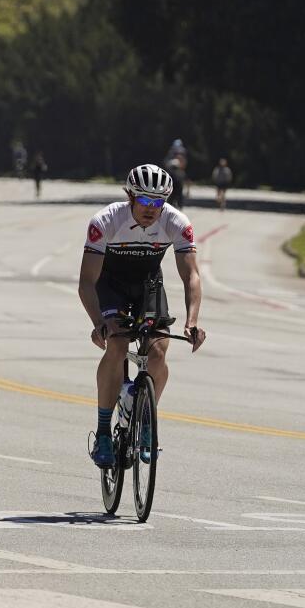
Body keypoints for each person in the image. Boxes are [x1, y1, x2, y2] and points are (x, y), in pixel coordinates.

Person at [79, 163, 206, 469]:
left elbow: (192, 277)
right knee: (119, 345)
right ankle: (105, 432)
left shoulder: (176, 222)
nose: (152, 209)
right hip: (110, 285)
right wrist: (99, 322)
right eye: (145, 201)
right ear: (130, 196)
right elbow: (86, 281)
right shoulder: (106, 221)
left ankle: (147, 420)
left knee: (160, 350)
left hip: (149, 284)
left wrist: (191, 321)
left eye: (159, 202)